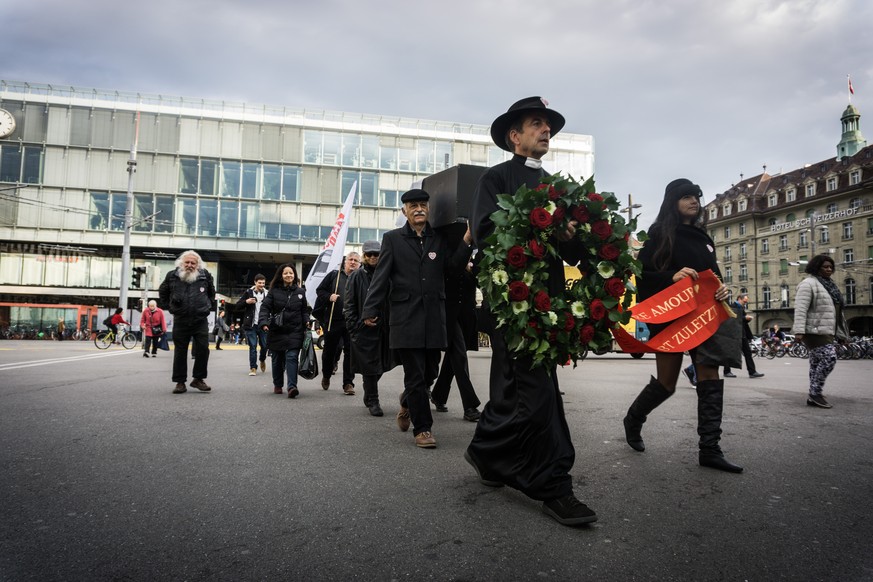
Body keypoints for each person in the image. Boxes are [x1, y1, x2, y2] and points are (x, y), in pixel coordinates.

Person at [466, 97, 596, 527]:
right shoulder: (495, 178)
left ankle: (486, 453)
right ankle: (553, 485)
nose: (546, 130)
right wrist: (545, 225)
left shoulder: (557, 186)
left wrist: (578, 234)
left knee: (514, 387)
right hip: (515, 304)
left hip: (549, 303)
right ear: (514, 136)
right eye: (536, 123)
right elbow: (486, 233)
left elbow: (573, 247)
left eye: (549, 126)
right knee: (535, 391)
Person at [622, 178, 743, 474]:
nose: (694, 202)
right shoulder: (658, 234)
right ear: (672, 201)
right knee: (667, 383)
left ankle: (710, 449)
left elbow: (712, 276)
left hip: (704, 315)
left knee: (709, 375)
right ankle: (634, 419)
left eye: (697, 197)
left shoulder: (703, 237)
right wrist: (672, 277)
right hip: (672, 316)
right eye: (687, 196)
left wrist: (723, 289)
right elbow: (642, 276)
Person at [362, 189, 472, 449]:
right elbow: (381, 278)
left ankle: (407, 400)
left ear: (429, 209)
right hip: (406, 318)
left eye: (422, 204)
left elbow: (454, 269)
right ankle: (423, 429)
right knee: (415, 375)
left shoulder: (440, 240)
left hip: (435, 319)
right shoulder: (392, 239)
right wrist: (370, 309)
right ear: (404, 211)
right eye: (413, 206)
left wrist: (467, 241)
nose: (418, 209)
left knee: (430, 372)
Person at [344, 240, 394, 417]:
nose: (373, 257)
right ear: (364, 256)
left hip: (384, 328)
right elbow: (349, 304)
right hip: (363, 329)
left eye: (376, 254)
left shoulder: (387, 273)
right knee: (371, 365)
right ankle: (373, 399)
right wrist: (355, 327)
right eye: (369, 254)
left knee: (380, 365)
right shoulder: (356, 276)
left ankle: (368, 390)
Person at [430, 251, 481, 422]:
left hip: (466, 320)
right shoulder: (447, 261)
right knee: (459, 357)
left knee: (452, 362)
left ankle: (438, 395)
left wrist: (472, 269)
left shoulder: (474, 266)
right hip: (449, 320)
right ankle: (470, 406)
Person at [793, 254, 849, 409]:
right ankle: (815, 393)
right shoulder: (808, 284)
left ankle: (813, 394)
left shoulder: (830, 285)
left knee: (816, 363)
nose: (829, 269)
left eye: (831, 267)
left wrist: (842, 334)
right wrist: (799, 331)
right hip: (813, 330)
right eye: (825, 266)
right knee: (829, 358)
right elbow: (800, 309)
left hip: (827, 330)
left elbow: (838, 313)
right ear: (817, 267)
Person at [158, 250, 216, 394]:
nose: (190, 265)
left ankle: (198, 379)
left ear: (198, 265)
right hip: (181, 319)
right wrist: (170, 308)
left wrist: (207, 306)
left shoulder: (205, 276)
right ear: (182, 263)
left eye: (193, 263)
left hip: (200, 319)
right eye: (187, 262)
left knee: (203, 349)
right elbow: (163, 292)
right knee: (180, 352)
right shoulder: (172, 276)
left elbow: (211, 294)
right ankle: (180, 382)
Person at [259, 263, 311, 398]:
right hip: (277, 330)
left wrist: (307, 321)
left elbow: (304, 310)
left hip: (295, 330)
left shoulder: (300, 292)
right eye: (286, 273)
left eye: (291, 273)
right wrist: (264, 322)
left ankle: (292, 387)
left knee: (292, 357)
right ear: (281, 276)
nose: (289, 275)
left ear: (295, 275)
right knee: (277, 359)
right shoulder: (273, 291)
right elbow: (265, 308)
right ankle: (278, 384)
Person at [315, 253, 360, 395]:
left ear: (359, 264)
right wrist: (329, 296)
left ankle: (348, 383)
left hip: (352, 321)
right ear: (345, 262)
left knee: (351, 353)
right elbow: (319, 291)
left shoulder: (361, 278)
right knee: (329, 351)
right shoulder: (334, 275)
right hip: (333, 321)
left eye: (356, 261)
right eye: (350, 260)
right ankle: (326, 375)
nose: (352, 262)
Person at [722, 293, 764, 379]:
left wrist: (746, 319)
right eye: (744, 302)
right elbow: (732, 319)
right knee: (730, 352)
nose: (745, 303)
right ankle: (727, 371)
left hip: (742, 333)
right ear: (739, 299)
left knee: (748, 353)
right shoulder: (732, 306)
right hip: (734, 334)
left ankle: (752, 372)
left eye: (746, 302)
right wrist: (745, 318)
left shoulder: (741, 307)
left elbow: (741, 321)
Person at [235, 274, 268, 376]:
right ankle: (253, 367)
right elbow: (237, 306)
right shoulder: (248, 293)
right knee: (252, 346)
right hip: (251, 325)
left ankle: (262, 359)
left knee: (265, 346)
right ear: (255, 282)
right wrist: (246, 301)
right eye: (259, 283)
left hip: (263, 324)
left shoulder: (267, 294)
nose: (261, 285)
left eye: (263, 283)